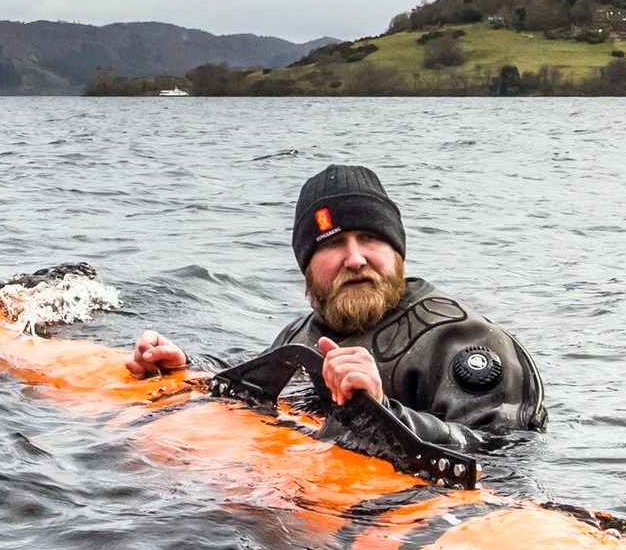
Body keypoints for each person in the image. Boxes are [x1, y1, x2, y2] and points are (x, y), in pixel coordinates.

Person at [128, 164, 545, 453]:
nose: (356, 259)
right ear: (307, 266)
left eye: (370, 239)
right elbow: (260, 396)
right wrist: (184, 366)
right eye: (332, 244)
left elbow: (504, 452)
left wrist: (381, 412)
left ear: (396, 251)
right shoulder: (298, 337)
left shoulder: (463, 341)